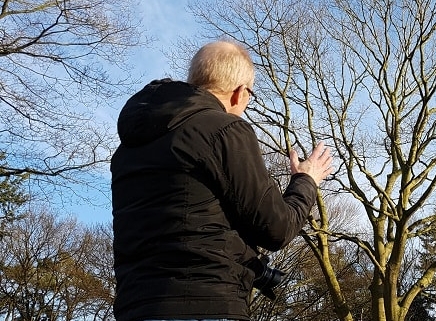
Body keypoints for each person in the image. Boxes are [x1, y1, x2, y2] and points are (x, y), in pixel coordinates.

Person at [110, 40, 333, 321]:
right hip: (206, 304)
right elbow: (276, 228)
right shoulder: (225, 129)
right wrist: (306, 180)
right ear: (240, 93)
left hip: (135, 306)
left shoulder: (128, 150)